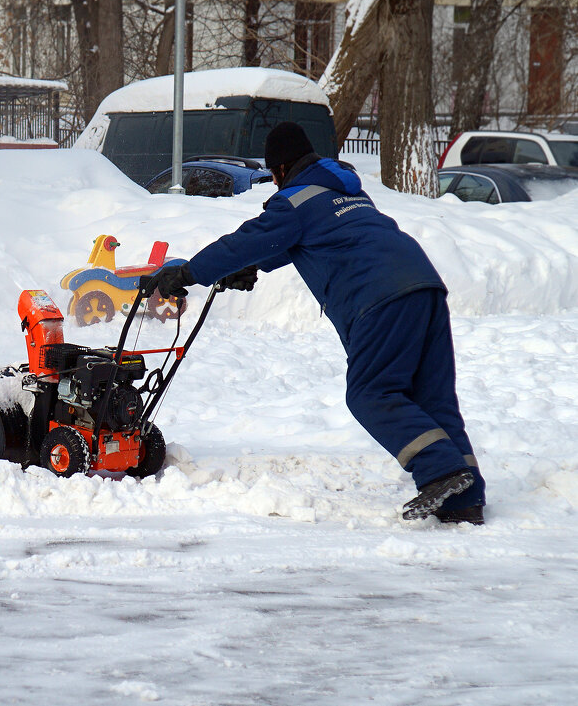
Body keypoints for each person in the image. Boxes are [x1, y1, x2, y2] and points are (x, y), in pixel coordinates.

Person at [144, 122, 485, 525]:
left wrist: (186, 274)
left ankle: (442, 470)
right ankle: (464, 500)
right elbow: (318, 236)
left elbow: (245, 240)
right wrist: (254, 265)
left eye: (273, 176)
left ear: (282, 169)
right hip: (424, 284)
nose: (274, 183)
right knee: (433, 397)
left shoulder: (293, 200)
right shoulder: (346, 189)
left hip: (379, 296)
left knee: (371, 393)